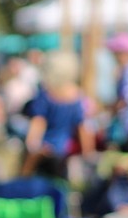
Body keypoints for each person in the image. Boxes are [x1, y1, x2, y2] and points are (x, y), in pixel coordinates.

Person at [22, 50, 95, 178]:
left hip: (44, 150)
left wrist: (32, 149)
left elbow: (38, 123)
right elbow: (83, 127)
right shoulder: (77, 97)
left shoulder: (46, 96)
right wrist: (88, 153)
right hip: (65, 150)